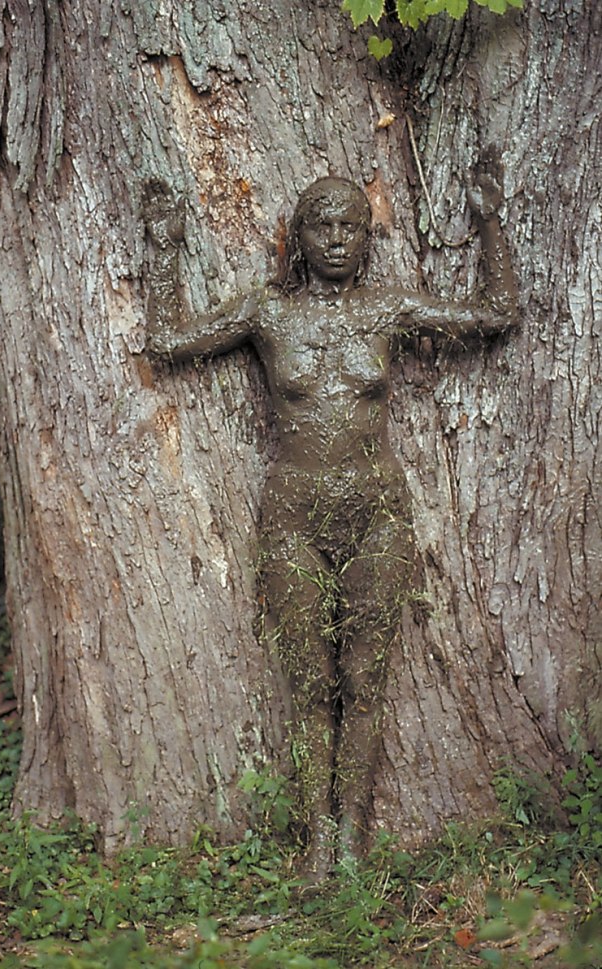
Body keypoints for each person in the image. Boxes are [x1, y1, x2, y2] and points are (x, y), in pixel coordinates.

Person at [144, 169, 516, 880]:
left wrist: (491, 222)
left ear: (368, 238)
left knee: (365, 678)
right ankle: (317, 845)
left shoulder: (387, 309)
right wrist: (164, 251)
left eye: (352, 225)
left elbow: (497, 314)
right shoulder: (268, 313)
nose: (338, 238)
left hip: (377, 513)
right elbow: (166, 342)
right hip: (294, 512)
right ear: (299, 237)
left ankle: (352, 841)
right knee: (310, 683)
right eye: (323, 225)